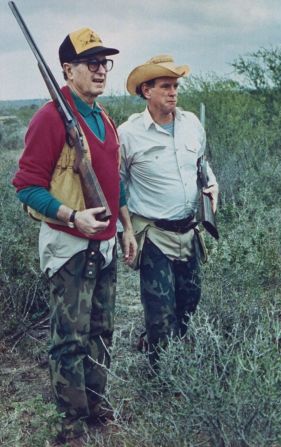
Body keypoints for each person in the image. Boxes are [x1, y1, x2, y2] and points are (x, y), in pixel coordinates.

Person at [12, 27, 136, 446]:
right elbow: (26, 187)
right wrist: (71, 216)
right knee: (69, 338)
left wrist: (125, 227)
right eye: (92, 63)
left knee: (102, 330)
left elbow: (112, 181)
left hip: (105, 244)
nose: (101, 71)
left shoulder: (104, 118)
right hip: (69, 246)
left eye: (105, 63)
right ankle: (70, 426)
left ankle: (97, 407)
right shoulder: (50, 117)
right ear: (68, 70)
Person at [118, 54, 218, 369]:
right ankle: (162, 378)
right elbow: (116, 183)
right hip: (153, 235)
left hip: (189, 231)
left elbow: (202, 166)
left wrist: (212, 189)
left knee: (189, 301)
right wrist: (125, 231)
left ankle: (164, 346)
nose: (173, 92)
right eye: (165, 86)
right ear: (146, 91)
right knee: (160, 309)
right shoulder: (129, 133)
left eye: (175, 85)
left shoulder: (192, 124)